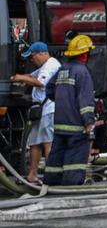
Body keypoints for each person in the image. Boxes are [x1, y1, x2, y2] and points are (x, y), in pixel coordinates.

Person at [45, 35, 96, 186]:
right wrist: (88, 121)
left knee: (57, 154)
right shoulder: (83, 72)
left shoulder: (62, 69)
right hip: (76, 125)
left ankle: (52, 181)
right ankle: (71, 183)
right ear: (85, 54)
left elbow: (49, 90)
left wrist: (63, 101)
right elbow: (85, 100)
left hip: (60, 124)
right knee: (75, 156)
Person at [10, 42, 60, 184]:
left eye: (32, 58)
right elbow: (31, 76)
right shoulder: (43, 66)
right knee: (35, 142)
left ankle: (52, 176)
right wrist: (16, 76)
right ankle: (32, 174)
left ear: (41, 53)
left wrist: (20, 78)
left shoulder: (51, 65)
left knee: (47, 143)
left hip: (49, 109)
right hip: (40, 110)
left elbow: (40, 82)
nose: (31, 61)